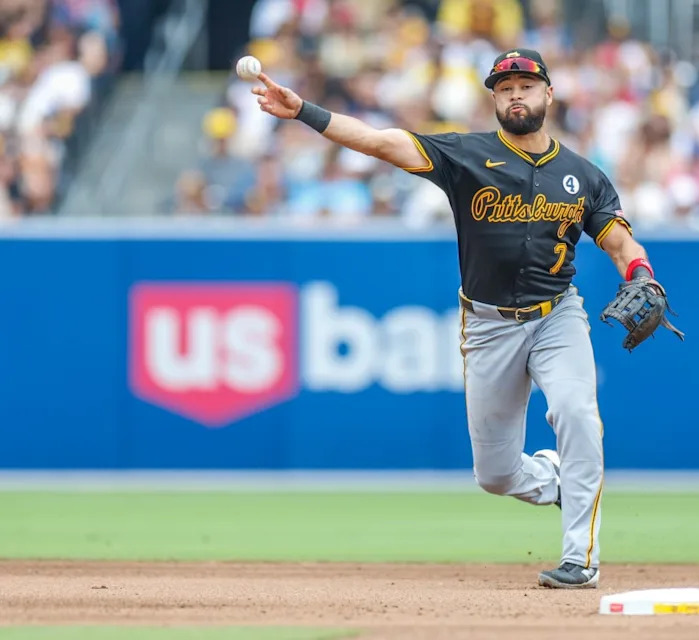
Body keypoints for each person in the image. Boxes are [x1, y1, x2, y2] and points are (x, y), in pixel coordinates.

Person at [251, 48, 673, 589]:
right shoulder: (465, 155)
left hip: (557, 315)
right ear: (494, 100)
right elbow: (381, 142)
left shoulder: (582, 176)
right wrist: (305, 110)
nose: (515, 93)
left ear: (549, 94)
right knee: (496, 476)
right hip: (489, 324)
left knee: (578, 415)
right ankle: (561, 481)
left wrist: (642, 272)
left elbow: (618, 241)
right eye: (504, 87)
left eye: (526, 84)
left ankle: (580, 558)